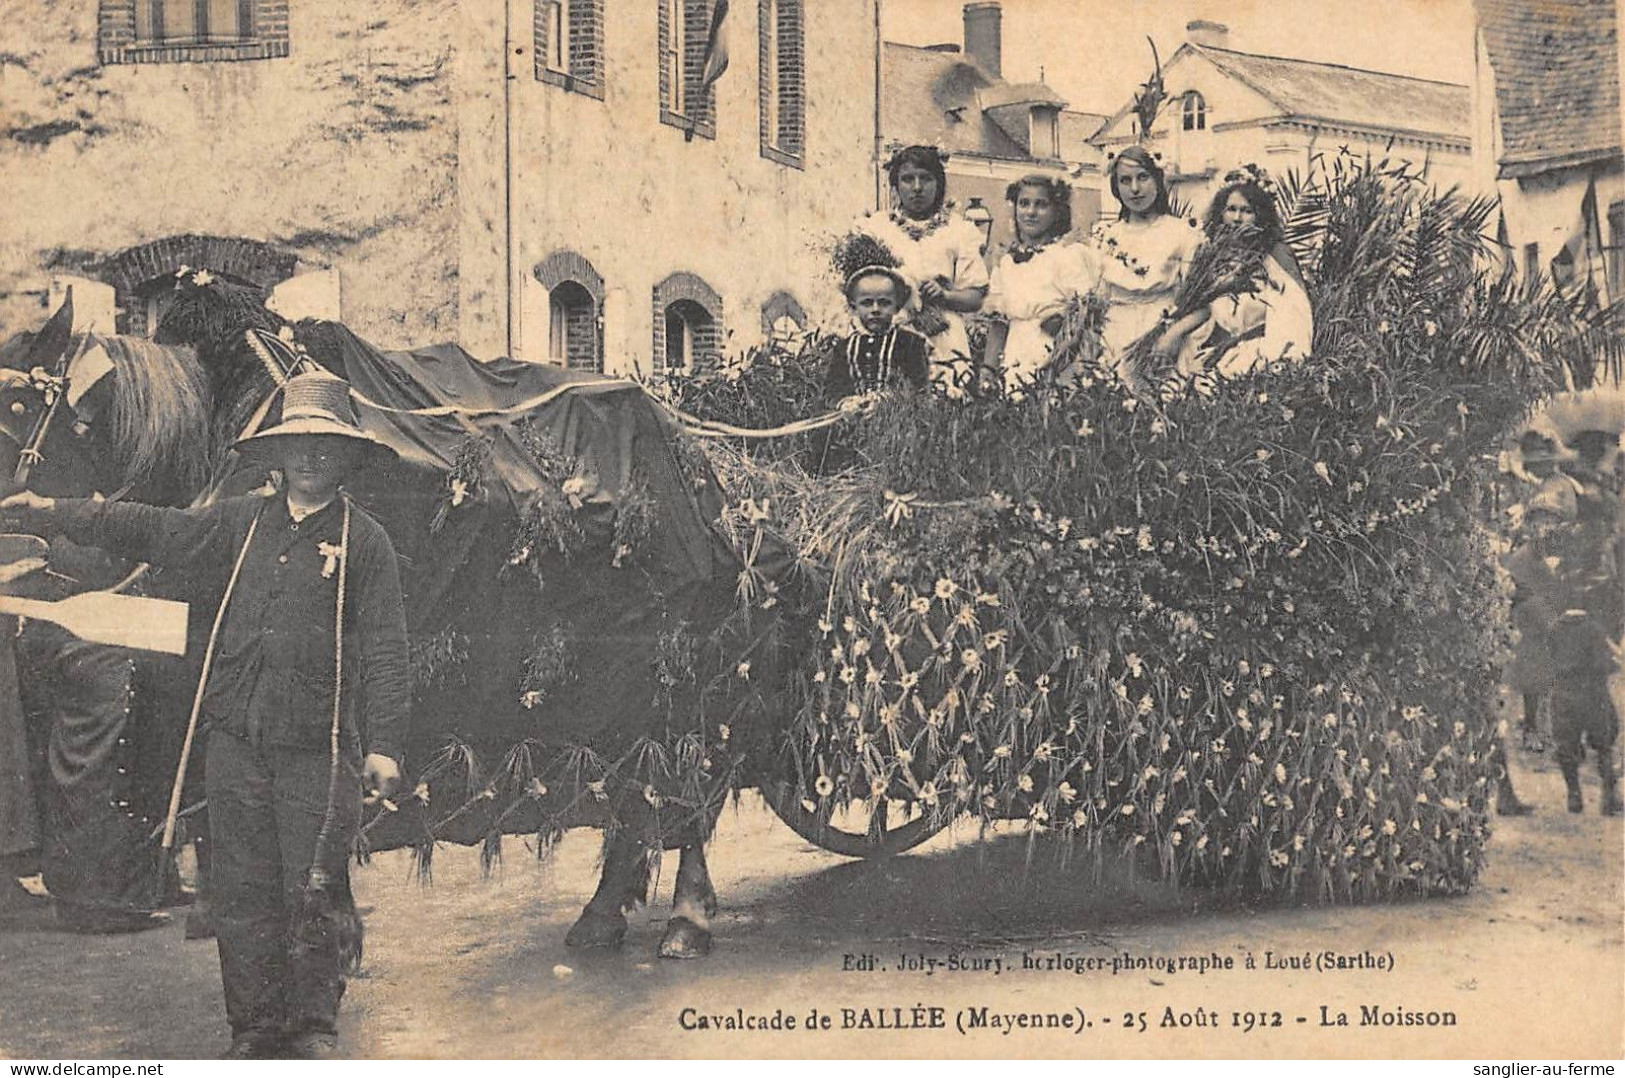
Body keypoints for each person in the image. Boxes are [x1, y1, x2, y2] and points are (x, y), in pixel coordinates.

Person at [1, 368, 409, 1058]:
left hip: (317, 749)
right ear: (278, 454)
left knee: (310, 890)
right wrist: (52, 511)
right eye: (298, 443)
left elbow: (387, 653)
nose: (310, 456)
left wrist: (387, 746)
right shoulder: (240, 524)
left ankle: (309, 1030)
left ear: (346, 456)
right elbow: (152, 528)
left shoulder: (364, 542)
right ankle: (253, 1030)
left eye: (325, 444)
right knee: (242, 897)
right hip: (235, 747)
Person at [855, 145, 989, 393]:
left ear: (939, 183)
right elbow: (858, 290)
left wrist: (945, 295)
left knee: (945, 405)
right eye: (907, 179)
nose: (917, 187)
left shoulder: (959, 230)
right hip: (891, 332)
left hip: (943, 334)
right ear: (895, 185)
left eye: (926, 179)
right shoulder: (876, 229)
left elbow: (975, 297)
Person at [1086, 146, 1204, 387]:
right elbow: (1094, 300)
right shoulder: (1104, 235)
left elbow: (1202, 303)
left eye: (1143, 177)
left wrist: (1171, 337)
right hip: (1113, 337)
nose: (1135, 189)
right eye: (1125, 180)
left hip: (1162, 337)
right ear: (1115, 187)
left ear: (1158, 181)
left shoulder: (1182, 232)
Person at [1180, 175, 1315, 378]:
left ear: (1260, 216)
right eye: (1231, 209)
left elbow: (1293, 310)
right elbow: (1202, 308)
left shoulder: (1275, 255)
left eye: (1247, 211)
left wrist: (1279, 357)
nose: (1237, 218)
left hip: (1259, 351)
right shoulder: (1212, 255)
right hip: (1211, 349)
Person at [982, 175, 1100, 394]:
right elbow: (998, 322)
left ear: (1057, 211)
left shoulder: (1068, 254)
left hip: (1056, 355)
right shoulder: (1006, 261)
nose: (1031, 212)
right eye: (1024, 203)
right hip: (1015, 354)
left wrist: (1061, 360)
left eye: (1041, 205)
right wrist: (988, 370)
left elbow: (1086, 315)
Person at [825, 266, 930, 401]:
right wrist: (847, 403)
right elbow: (833, 390)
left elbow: (919, 389)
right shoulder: (844, 347)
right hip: (854, 418)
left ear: (897, 307)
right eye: (867, 303)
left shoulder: (909, 343)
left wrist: (885, 401)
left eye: (884, 303)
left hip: (897, 416)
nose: (875, 309)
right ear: (854, 307)